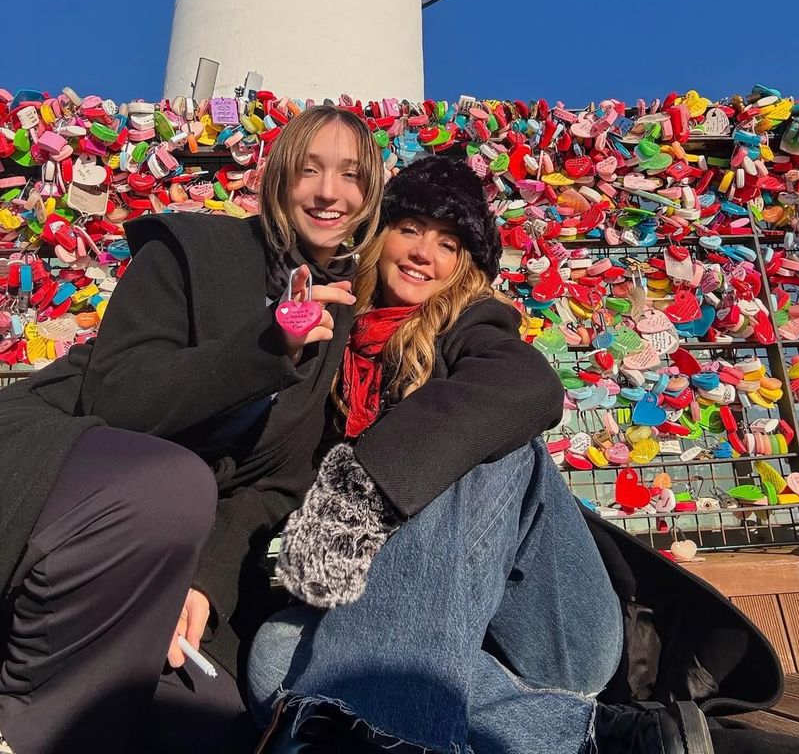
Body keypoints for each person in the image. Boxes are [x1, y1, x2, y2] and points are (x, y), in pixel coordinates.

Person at [0, 105, 383, 754]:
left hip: (170, 535)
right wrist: (267, 348)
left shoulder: (339, 316)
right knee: (176, 485)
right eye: (309, 169)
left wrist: (204, 579)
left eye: (350, 176)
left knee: (210, 716)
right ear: (277, 178)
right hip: (56, 470)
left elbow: (273, 485)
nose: (329, 192)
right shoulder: (190, 249)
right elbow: (119, 399)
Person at [246, 156, 611, 754]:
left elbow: (531, 387)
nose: (423, 253)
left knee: (482, 439)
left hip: (553, 628)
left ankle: (394, 730)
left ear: (465, 265)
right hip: (431, 626)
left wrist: (358, 491)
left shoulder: (472, 327)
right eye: (409, 229)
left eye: (448, 243)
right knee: (275, 657)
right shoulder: (335, 337)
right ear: (378, 237)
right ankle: (596, 738)